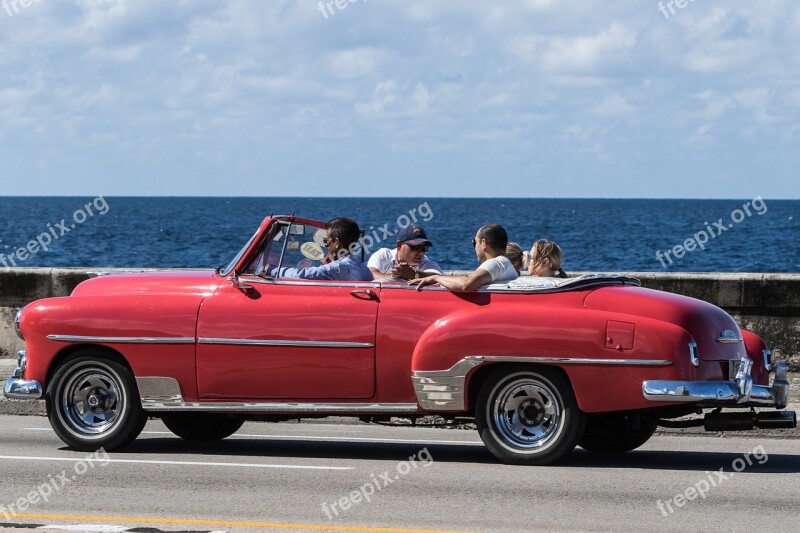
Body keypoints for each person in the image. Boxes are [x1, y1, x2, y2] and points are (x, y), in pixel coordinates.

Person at [409, 224, 517, 292]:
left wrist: (435, 278)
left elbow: (466, 284)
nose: (474, 247)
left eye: (474, 242)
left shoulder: (496, 263)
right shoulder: (505, 264)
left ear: (483, 243)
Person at [264, 217, 373, 281]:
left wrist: (270, 269)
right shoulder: (360, 265)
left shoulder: (338, 267)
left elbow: (300, 275)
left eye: (326, 241)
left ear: (336, 242)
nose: (325, 245)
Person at [368, 225, 443, 281]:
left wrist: (413, 274)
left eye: (424, 248)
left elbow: (438, 277)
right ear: (399, 245)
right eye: (415, 247)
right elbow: (370, 273)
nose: (420, 253)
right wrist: (395, 276)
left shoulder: (425, 262)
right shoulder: (384, 255)